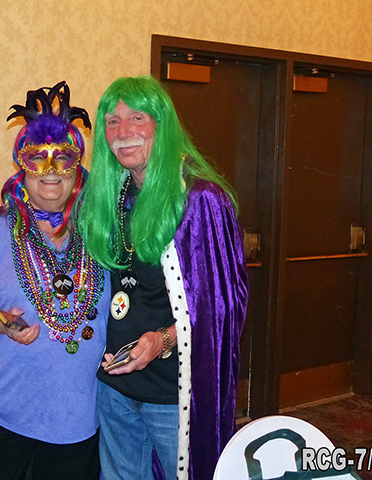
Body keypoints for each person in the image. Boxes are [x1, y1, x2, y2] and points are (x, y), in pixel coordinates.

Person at [78, 75, 248, 480]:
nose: (123, 132)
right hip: (115, 388)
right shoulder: (107, 198)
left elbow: (224, 308)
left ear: (162, 125)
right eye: (112, 121)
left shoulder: (199, 200)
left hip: (173, 395)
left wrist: (163, 340)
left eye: (137, 118)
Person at [0, 81, 109, 480]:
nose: (51, 171)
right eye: (37, 158)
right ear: (21, 165)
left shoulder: (100, 235)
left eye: (63, 158)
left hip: (75, 426)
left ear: (77, 167)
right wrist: (1, 322)